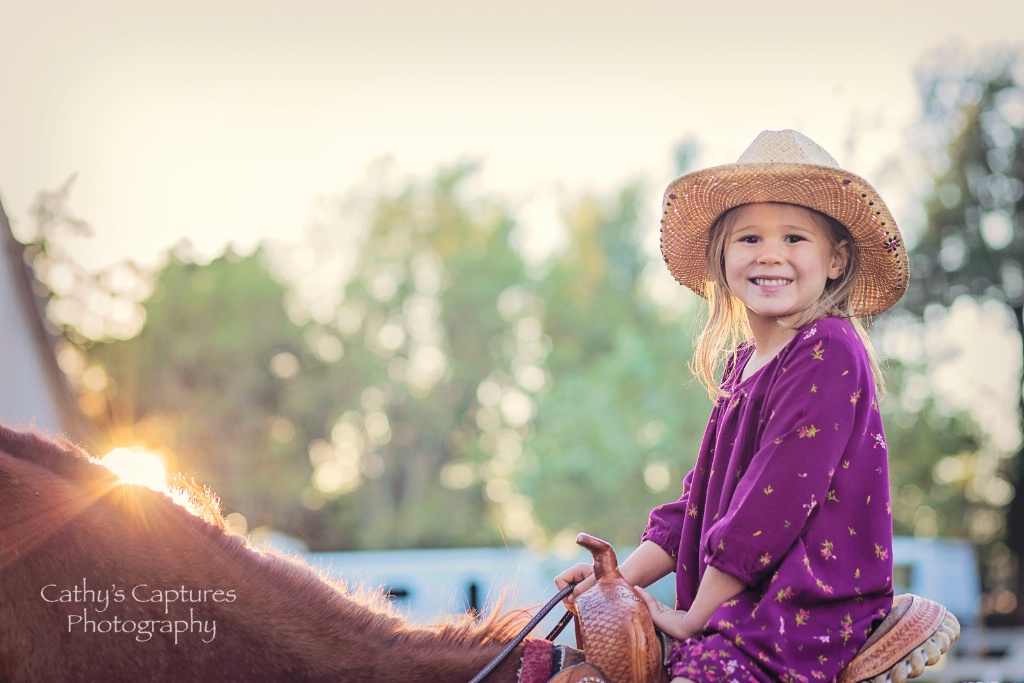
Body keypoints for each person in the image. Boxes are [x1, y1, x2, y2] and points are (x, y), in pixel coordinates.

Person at [555, 129, 908, 683]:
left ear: (836, 259)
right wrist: (617, 580)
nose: (771, 254)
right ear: (722, 258)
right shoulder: (740, 365)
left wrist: (692, 616)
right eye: (748, 239)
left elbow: (770, 508)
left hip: (798, 613)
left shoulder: (827, 350)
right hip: (737, 608)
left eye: (795, 238)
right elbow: (695, 505)